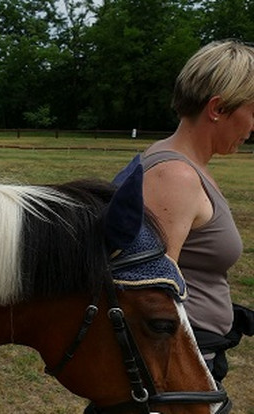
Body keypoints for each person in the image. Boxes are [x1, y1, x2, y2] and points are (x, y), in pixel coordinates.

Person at [119, 39, 254, 381]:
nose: (253, 128)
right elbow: (147, 297)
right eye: (253, 112)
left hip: (198, 353)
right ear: (217, 109)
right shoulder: (174, 177)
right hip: (178, 370)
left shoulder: (186, 167)